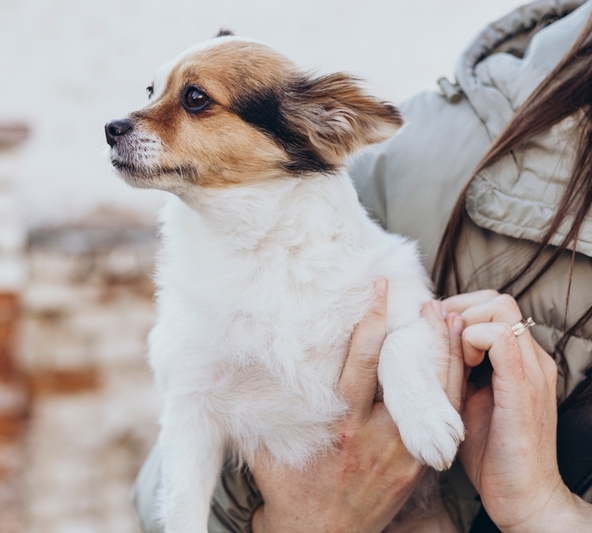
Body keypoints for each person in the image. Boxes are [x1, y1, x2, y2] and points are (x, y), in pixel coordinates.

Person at [132, 0, 592, 531]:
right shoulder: (426, 150)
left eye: (192, 100)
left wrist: (548, 513)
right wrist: (295, 518)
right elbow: (174, 452)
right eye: (156, 95)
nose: (133, 120)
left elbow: (407, 327)